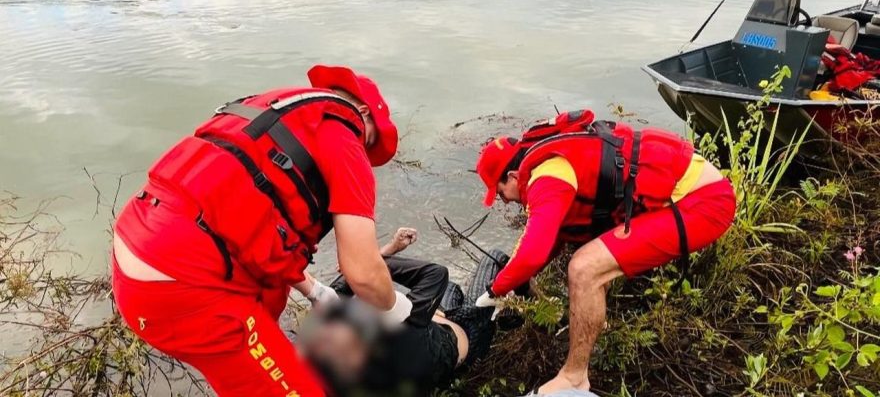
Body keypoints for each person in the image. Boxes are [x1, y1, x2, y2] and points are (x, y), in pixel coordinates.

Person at [111, 65, 414, 397]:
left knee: (268, 343)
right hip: (186, 286)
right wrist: (395, 308)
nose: (363, 153)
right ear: (364, 113)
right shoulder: (344, 132)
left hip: (136, 267)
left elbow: (247, 219)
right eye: (370, 142)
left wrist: (314, 290)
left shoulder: (271, 111)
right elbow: (364, 273)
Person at [472, 110, 736, 394]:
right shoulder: (553, 160)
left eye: (500, 193)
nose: (504, 201)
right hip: (692, 188)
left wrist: (495, 290)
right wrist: (517, 279)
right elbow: (553, 238)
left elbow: (532, 253)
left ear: (513, 176)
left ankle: (574, 377)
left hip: (703, 203)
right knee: (593, 260)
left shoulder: (548, 177)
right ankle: (595, 330)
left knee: (584, 268)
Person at [299, 228, 500, 396]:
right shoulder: (409, 324)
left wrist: (391, 248)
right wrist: (366, 262)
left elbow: (339, 288)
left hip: (434, 324)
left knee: (452, 288)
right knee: (494, 259)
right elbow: (436, 274)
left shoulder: (347, 368)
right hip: (468, 331)